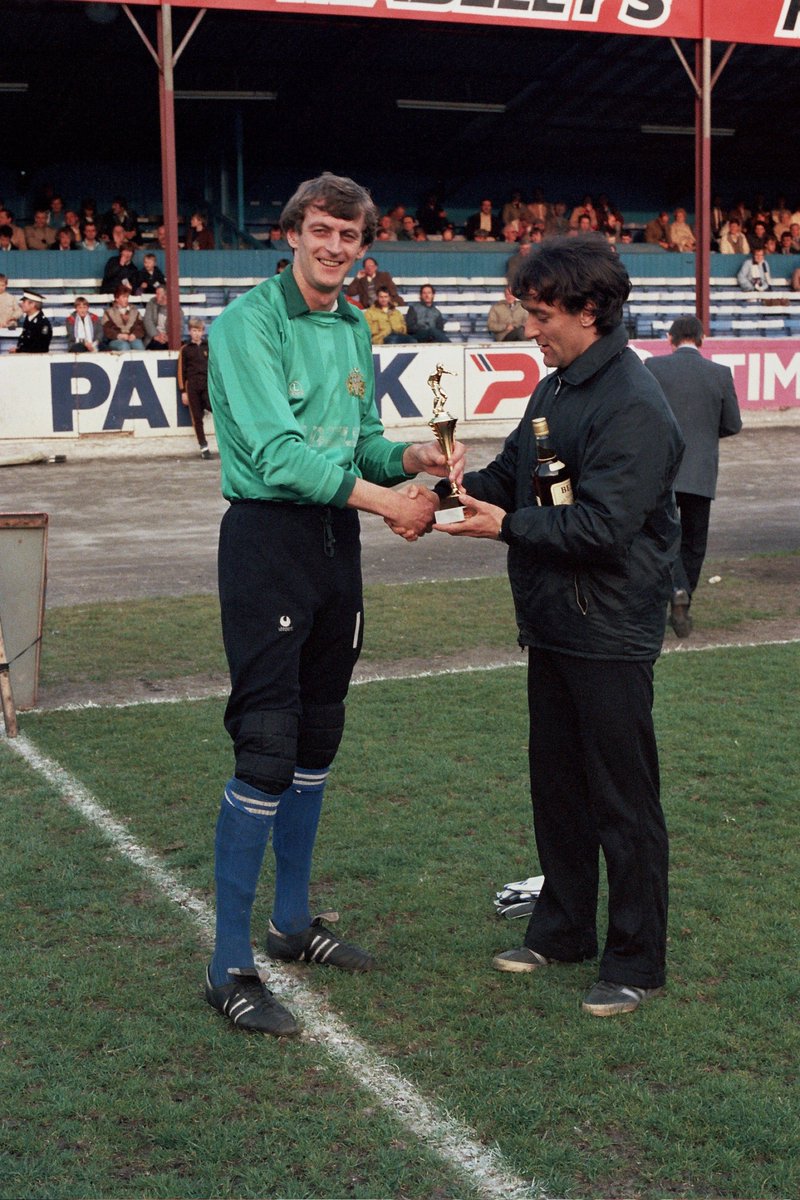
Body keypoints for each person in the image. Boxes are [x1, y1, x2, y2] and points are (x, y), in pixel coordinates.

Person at [204, 171, 463, 1036]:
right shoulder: (249, 323)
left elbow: (357, 443)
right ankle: (227, 966)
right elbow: (277, 456)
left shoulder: (354, 326)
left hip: (332, 548)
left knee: (319, 735)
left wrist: (412, 463)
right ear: (293, 233)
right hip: (269, 544)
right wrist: (387, 503)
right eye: (321, 231)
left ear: (362, 249)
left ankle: (291, 924)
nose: (334, 249)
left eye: (349, 238)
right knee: (268, 745)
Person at [424, 236, 683, 1018]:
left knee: (623, 801)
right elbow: (514, 473)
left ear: (591, 310)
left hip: (608, 631)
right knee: (560, 791)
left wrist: (505, 526)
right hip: (554, 624)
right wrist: (447, 487)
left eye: (541, 315)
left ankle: (635, 960)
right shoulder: (560, 387)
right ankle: (563, 929)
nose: (529, 328)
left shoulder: (635, 405)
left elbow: (603, 529)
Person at [645, 316, 742, 637]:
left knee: (663, 537)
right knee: (694, 543)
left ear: (671, 339)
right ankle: (683, 596)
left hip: (661, 472)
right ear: (701, 339)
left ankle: (676, 590)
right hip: (701, 472)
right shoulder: (720, 373)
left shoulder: (654, 368)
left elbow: (641, 414)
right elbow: (732, 425)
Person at [177, 317, 211, 457]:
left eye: (199, 330)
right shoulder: (185, 349)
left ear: (203, 332)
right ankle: (203, 447)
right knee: (197, 418)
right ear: (189, 332)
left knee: (217, 410)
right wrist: (183, 391)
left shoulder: (208, 347)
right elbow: (181, 371)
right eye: (194, 330)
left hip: (207, 385)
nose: (196, 333)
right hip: (192, 387)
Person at [102, 285, 145, 350]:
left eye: (127, 297)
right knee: (124, 346)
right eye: (123, 297)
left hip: (132, 338)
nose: (126, 299)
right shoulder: (108, 312)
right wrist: (119, 335)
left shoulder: (135, 311)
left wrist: (134, 335)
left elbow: (140, 327)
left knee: (139, 346)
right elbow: (107, 329)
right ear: (117, 298)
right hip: (115, 340)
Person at [143, 283, 181, 349]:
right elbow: (147, 320)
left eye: (158, 294)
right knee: (158, 346)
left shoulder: (174, 306)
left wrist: (169, 337)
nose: (156, 296)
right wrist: (155, 335)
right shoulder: (152, 302)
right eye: (156, 293)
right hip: (154, 337)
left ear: (165, 295)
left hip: (169, 338)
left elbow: (180, 325)